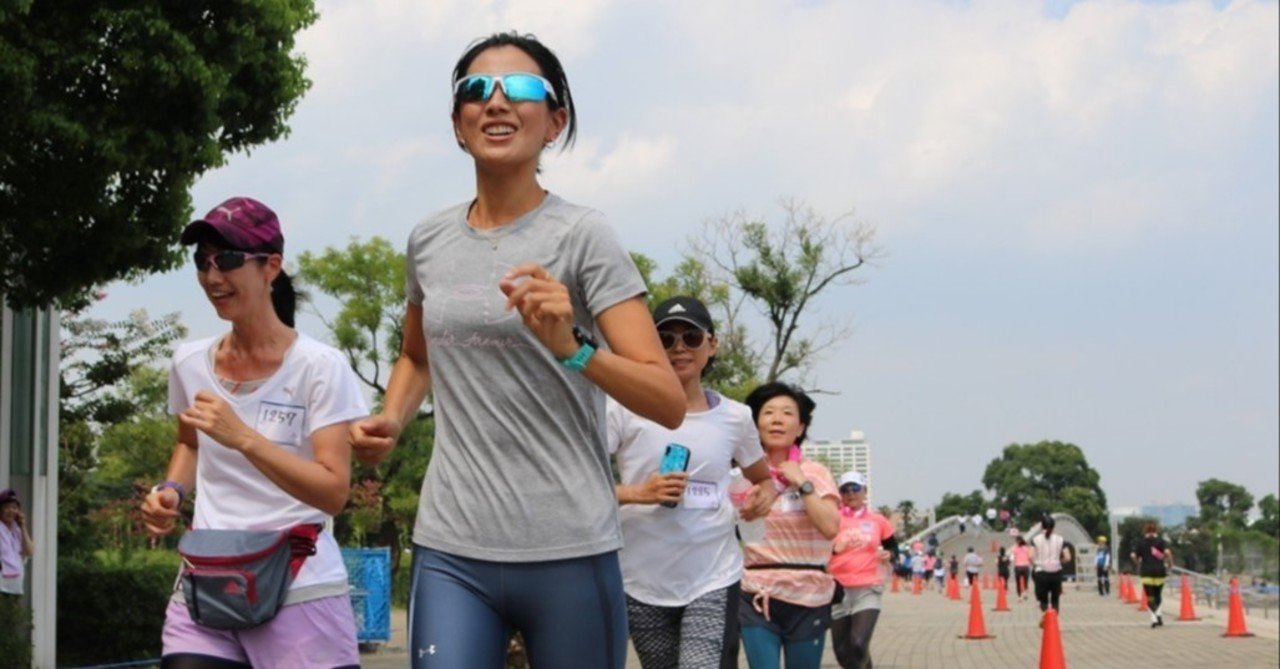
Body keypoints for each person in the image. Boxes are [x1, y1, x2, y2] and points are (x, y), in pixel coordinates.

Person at [347, 32, 686, 669]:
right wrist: (391, 418)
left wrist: (574, 348)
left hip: (570, 547)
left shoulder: (585, 235)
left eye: (523, 90)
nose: (496, 103)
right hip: (453, 546)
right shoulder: (427, 239)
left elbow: (666, 399)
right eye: (476, 90)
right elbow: (418, 357)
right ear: (457, 124)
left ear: (555, 121)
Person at [140, 197, 370, 668]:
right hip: (206, 583)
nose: (212, 277)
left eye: (227, 259)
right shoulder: (189, 362)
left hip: (298, 587)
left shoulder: (320, 366)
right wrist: (171, 490)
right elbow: (189, 442)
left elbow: (332, 492)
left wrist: (243, 437)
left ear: (272, 267)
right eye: (202, 262)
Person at [608, 296, 776, 668]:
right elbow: (582, 483)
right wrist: (639, 492)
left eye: (691, 337)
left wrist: (763, 497)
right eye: (665, 338)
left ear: (711, 344)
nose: (679, 347)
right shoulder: (621, 409)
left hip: (713, 576)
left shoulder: (736, 417)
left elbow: (763, 480)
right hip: (641, 578)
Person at [737, 382, 840, 669]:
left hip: (809, 593)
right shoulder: (742, 477)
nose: (777, 419)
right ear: (756, 425)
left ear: (801, 427)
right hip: (757, 593)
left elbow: (831, 527)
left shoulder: (816, 473)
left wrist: (802, 484)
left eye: (786, 413)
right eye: (768, 413)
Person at [827, 471, 898, 669]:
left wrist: (890, 555)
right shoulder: (832, 518)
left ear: (864, 491)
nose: (851, 493)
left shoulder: (878, 520)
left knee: (858, 644)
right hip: (837, 590)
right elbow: (816, 551)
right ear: (840, 494)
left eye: (855, 488)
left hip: (867, 588)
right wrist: (833, 548)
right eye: (845, 489)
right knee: (842, 652)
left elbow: (894, 547)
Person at [1130, 522, 1173, 628]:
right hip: (1159, 571)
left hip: (1146, 572)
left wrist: (1138, 563)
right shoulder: (1161, 542)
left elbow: (1133, 555)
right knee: (1158, 595)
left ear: (1145, 531)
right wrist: (1170, 564)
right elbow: (1167, 553)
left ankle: (1153, 618)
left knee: (1150, 596)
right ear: (1155, 531)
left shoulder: (1141, 542)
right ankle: (1159, 615)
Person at [1030, 515, 1069, 623]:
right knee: (1055, 599)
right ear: (1053, 526)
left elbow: (1030, 556)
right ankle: (1053, 621)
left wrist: (1036, 564)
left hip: (1041, 572)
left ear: (1041, 526)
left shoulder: (1035, 540)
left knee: (1043, 600)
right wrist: (1058, 562)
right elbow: (1068, 557)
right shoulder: (1060, 539)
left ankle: (1045, 614)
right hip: (1056, 573)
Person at [0, 489, 34, 598]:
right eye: (7, 507)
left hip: (15, 588)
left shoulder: (17, 531)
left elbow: (30, 552)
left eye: (14, 507)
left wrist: (23, 526)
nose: (11, 511)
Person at [1012, 536, 1032, 601]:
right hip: (1026, 566)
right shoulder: (1026, 548)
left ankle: (1019, 597)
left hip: (1018, 567)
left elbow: (1013, 558)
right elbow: (1029, 557)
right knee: (1026, 581)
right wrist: (1032, 564)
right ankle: (1025, 593)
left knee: (1018, 583)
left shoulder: (1015, 548)